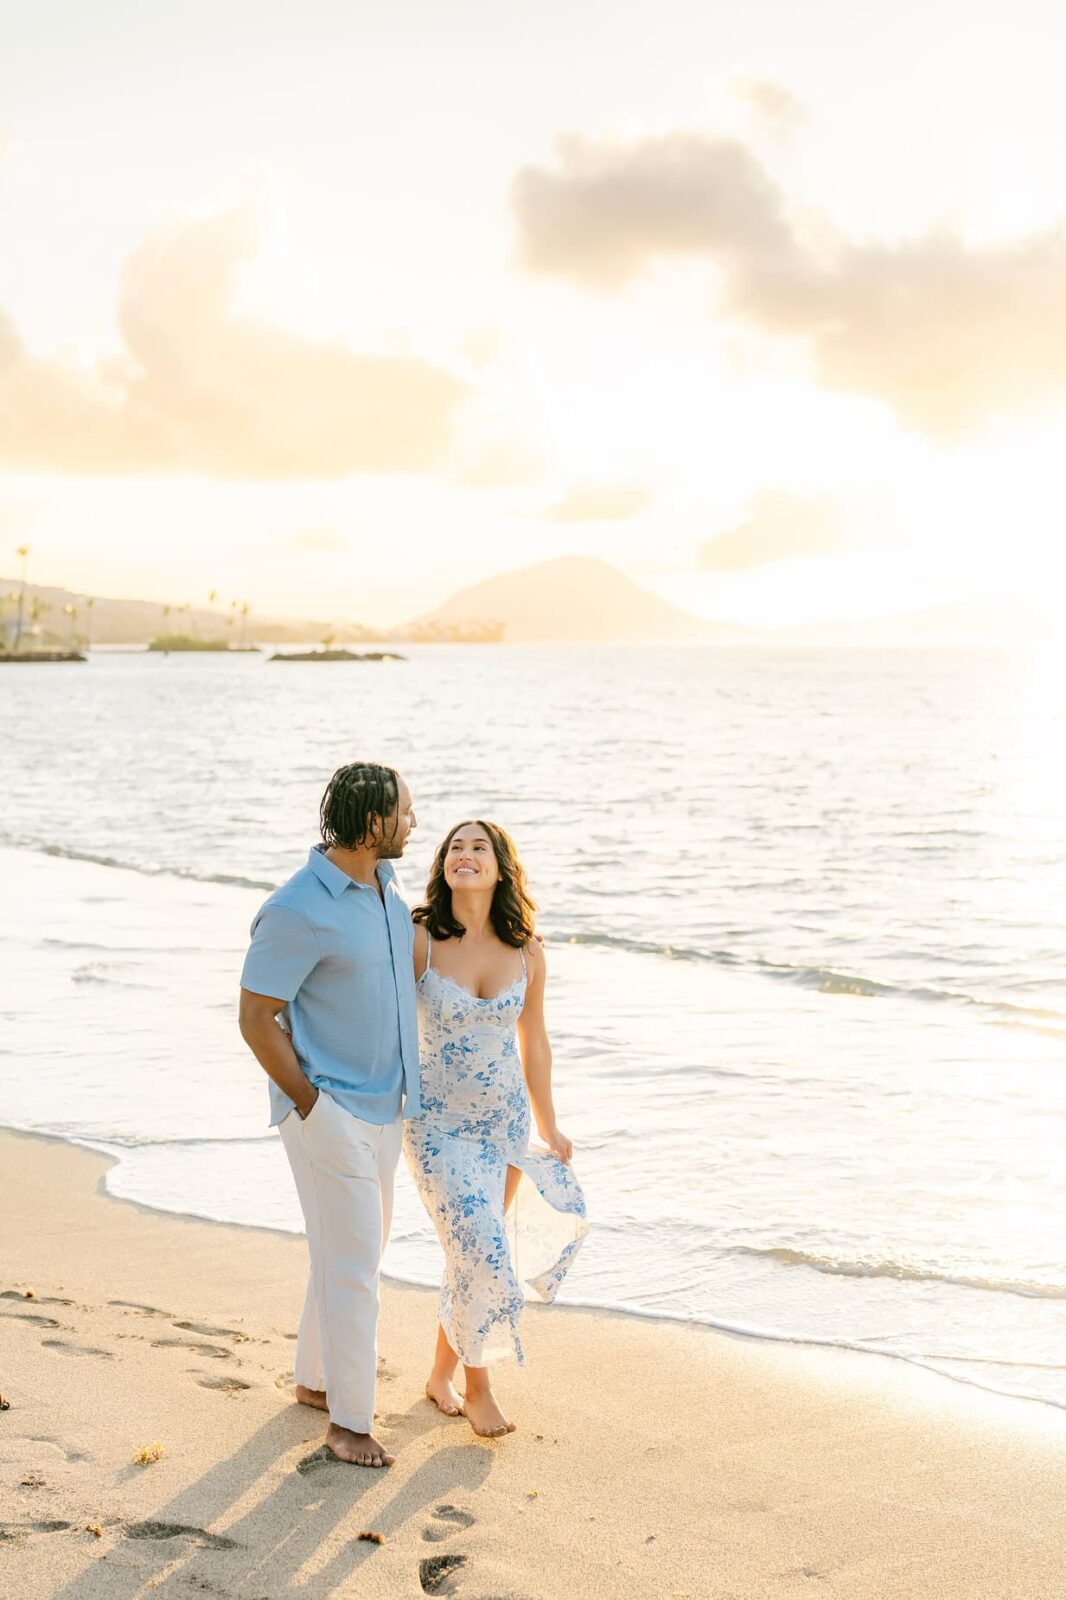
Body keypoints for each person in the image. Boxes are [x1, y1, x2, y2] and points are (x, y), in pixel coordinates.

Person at [238, 762, 420, 1468]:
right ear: (373, 821)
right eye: (405, 811)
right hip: (331, 1110)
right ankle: (349, 1422)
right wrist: (313, 1106)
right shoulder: (297, 908)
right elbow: (256, 1017)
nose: (413, 822)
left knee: (351, 1252)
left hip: (386, 1109)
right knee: (354, 1268)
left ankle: (315, 1380)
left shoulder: (387, 889)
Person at [403, 819, 588, 1439]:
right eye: (455, 846)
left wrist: (549, 1124)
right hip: (435, 1126)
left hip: (501, 1124)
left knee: (471, 1252)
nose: (465, 854)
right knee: (481, 1248)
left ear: (500, 866)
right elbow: (381, 1019)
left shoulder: (528, 950)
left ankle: (438, 1377)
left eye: (479, 846)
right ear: (443, 865)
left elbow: (534, 1042)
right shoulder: (418, 938)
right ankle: (479, 1388)